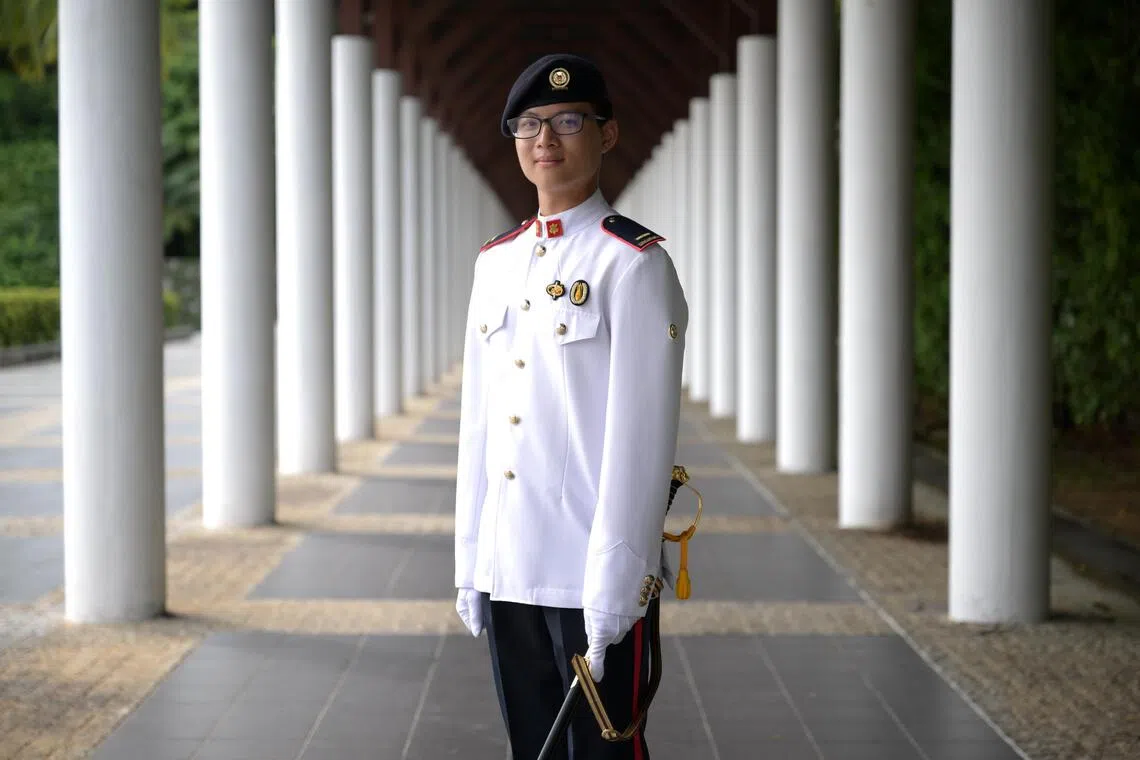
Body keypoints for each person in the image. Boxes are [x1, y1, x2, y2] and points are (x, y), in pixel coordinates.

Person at [453, 52, 688, 760]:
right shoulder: (496, 263)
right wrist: (472, 560)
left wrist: (617, 586)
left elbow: (641, 442)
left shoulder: (633, 263)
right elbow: (478, 425)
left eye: (567, 122)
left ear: (606, 135)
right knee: (532, 749)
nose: (545, 140)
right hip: (510, 564)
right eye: (528, 124)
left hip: (590, 569)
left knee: (605, 751)